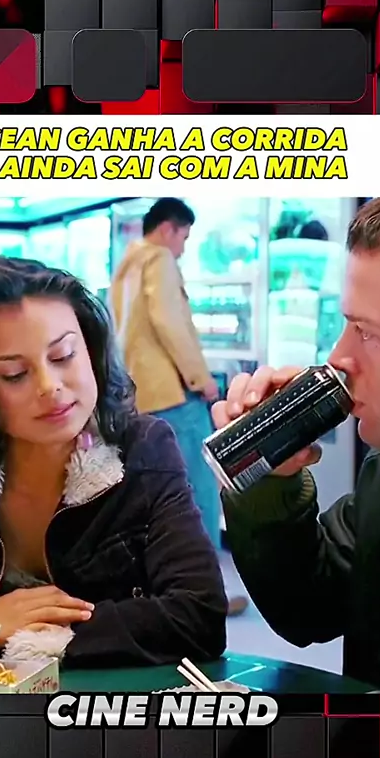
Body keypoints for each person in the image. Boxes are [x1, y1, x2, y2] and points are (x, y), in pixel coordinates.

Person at [0, 256, 227, 668]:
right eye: (14, 374)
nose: (50, 387)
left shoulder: (143, 448)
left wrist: (44, 635)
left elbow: (200, 614)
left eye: (64, 355)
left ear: (91, 350)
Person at [212, 196, 380, 692]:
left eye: (367, 333)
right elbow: (306, 609)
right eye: (345, 326)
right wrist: (270, 480)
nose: (339, 356)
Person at [110, 198, 248, 616]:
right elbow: (171, 322)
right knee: (200, 491)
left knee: (156, 496)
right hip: (172, 394)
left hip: (139, 396)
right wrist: (201, 379)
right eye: (184, 237)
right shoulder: (159, 260)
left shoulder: (125, 265)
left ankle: (165, 589)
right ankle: (208, 592)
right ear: (168, 228)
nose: (183, 248)